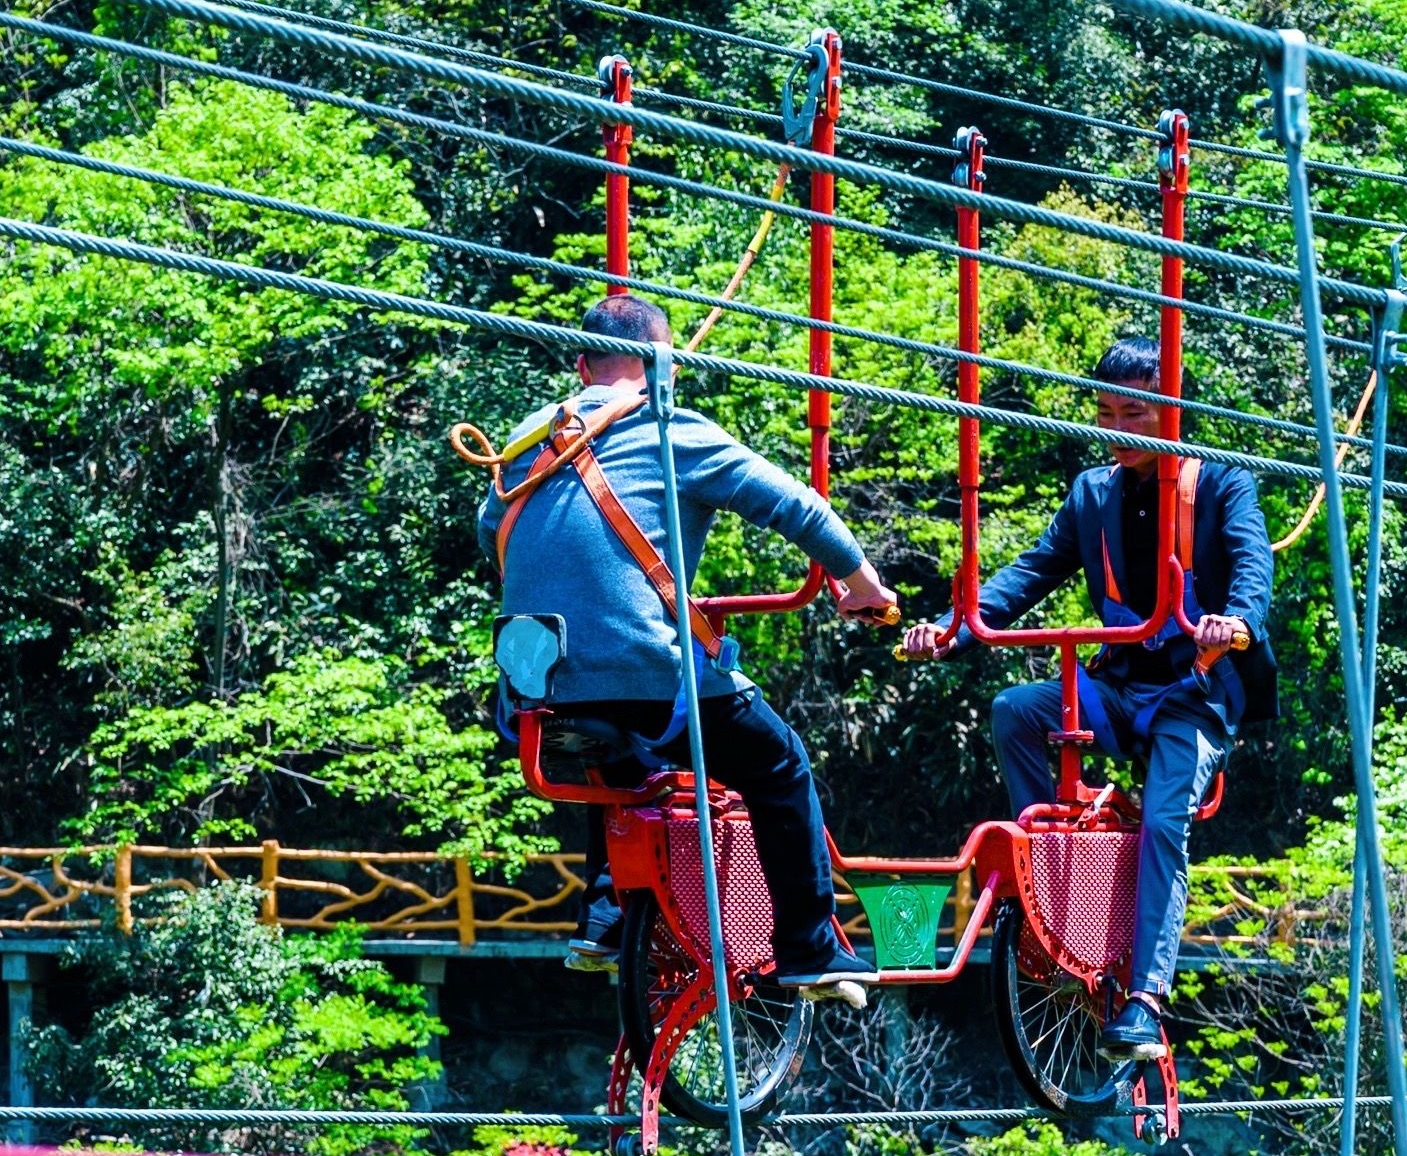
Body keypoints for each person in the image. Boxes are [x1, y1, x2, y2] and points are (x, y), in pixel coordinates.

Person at [474, 292, 898, 998]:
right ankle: (809, 948)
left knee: (617, 757)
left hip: (529, 687)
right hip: (641, 677)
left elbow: (493, 531)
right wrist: (862, 583)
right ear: (664, 366)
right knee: (776, 764)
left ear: (581, 366)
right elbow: (793, 504)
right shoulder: (672, 428)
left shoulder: (526, 438)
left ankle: (605, 916)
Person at [900, 334, 1275, 1060]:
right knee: (1018, 710)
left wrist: (1238, 623)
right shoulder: (1092, 495)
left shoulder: (1221, 485)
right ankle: (1048, 883)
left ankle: (1144, 997)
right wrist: (956, 629)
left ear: (1171, 411)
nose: (1119, 430)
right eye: (1108, 413)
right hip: (1119, 686)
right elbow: (1032, 571)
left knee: (1167, 821)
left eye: (1136, 414)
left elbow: (1252, 569)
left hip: (1191, 692)